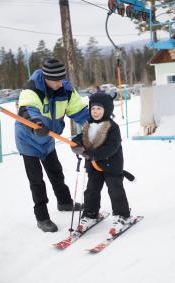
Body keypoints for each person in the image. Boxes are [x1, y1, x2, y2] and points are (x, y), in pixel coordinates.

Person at [15, 58, 89, 233]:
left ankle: (64, 202)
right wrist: (37, 122)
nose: (58, 83)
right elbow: (27, 110)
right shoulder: (32, 88)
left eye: (61, 79)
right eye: (54, 80)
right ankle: (42, 217)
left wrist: (95, 123)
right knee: (37, 181)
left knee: (56, 172)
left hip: (47, 138)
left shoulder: (66, 90)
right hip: (29, 138)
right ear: (45, 77)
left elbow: (79, 111)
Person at [70, 92, 132, 237]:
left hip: (111, 165)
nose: (95, 112)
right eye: (93, 109)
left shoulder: (112, 127)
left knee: (115, 189)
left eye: (99, 108)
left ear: (107, 109)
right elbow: (79, 138)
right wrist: (76, 144)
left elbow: (112, 146)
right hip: (93, 166)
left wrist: (94, 154)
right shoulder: (88, 125)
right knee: (91, 189)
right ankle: (91, 213)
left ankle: (122, 215)